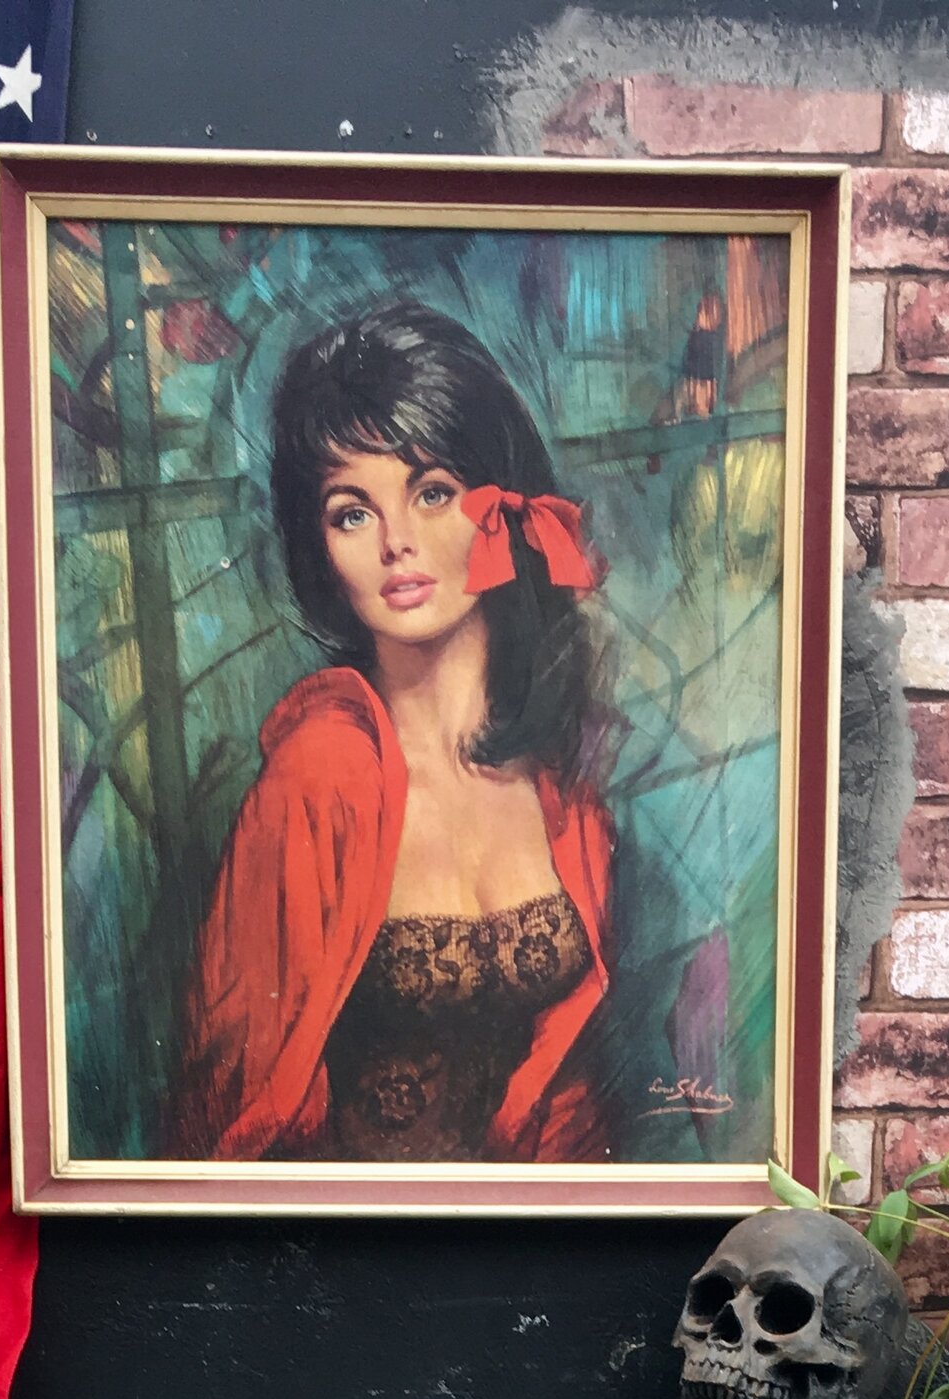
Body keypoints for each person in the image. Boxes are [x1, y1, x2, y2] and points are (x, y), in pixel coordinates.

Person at [168, 302, 615, 1164]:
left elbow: (575, 1088)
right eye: (351, 511)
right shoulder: (316, 779)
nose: (397, 543)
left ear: (506, 510)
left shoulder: (564, 791)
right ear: (321, 547)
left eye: (432, 492)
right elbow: (232, 1101)